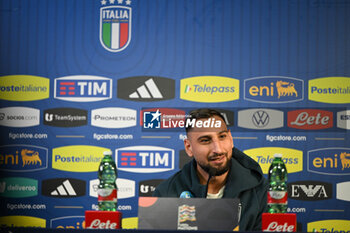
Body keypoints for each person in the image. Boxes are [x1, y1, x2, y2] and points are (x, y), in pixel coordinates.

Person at [153, 108, 268, 231]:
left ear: (231, 139)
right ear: (188, 147)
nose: (218, 149)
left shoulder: (260, 190)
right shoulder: (166, 193)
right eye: (205, 140)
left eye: (222, 137)